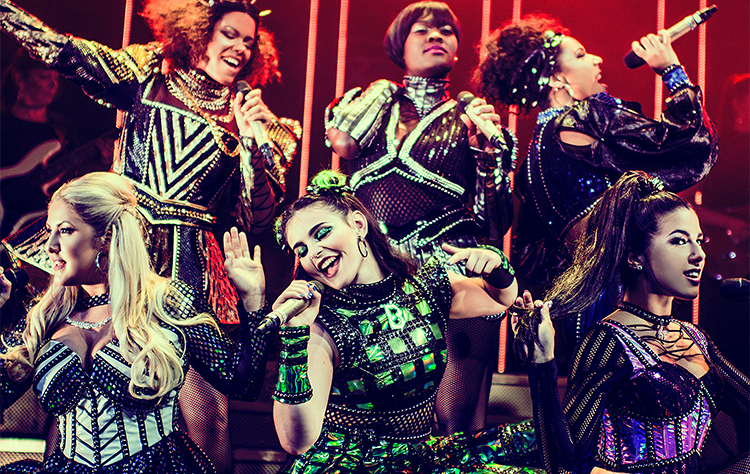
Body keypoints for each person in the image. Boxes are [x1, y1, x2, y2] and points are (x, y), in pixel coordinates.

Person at [0, 1, 299, 471]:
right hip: (112, 243)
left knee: (207, 413)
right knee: (72, 393)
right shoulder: (151, 72)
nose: (241, 48)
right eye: (230, 34)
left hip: (189, 267)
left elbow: (258, 213)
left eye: (249, 41)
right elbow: (69, 54)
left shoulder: (260, 122)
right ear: (198, 32)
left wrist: (253, 139)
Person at [264, 170, 541, 474]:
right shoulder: (324, 326)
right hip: (352, 466)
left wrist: (495, 265)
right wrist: (294, 338)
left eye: (321, 233)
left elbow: (499, 299)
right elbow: (296, 443)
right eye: (301, 250)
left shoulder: (424, 288)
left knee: (539, 439)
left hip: (420, 455)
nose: (313, 253)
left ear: (358, 224)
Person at [325, 0, 516, 435]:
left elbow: (495, 224)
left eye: (446, 31)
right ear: (400, 45)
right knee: (375, 414)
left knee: (454, 421)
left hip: (452, 269)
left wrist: (488, 155)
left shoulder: (471, 116)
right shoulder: (370, 104)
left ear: (457, 49)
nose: (435, 36)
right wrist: (381, 91)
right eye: (422, 30)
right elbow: (344, 143)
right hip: (376, 271)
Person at [0, 172, 270, 473]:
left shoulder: (167, 302)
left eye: (65, 230)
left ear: (106, 238)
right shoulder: (44, 316)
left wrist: (254, 300)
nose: (50, 245)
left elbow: (241, 382)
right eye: (50, 231)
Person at [475, 14, 718, 340]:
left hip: (570, 304)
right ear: (556, 79)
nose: (596, 59)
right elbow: (690, 142)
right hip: (619, 297)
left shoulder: (532, 159)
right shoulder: (586, 116)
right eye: (580, 55)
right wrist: (670, 69)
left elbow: (526, 251)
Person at [512, 171, 750, 474]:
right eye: (679, 241)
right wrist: (542, 364)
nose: (698, 255)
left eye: (699, 241)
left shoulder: (696, 339)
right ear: (635, 257)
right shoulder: (607, 341)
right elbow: (563, 464)